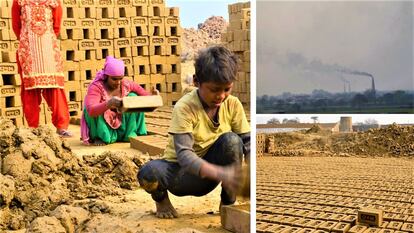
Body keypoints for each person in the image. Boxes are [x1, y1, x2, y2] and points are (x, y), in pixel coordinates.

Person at [138, 45, 251, 218]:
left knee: (232, 141)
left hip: (212, 173)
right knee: (148, 173)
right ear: (196, 81)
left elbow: (247, 142)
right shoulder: (185, 107)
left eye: (226, 89)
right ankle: (161, 201)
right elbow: (185, 157)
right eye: (214, 90)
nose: (221, 96)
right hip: (180, 176)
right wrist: (222, 173)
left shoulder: (233, 104)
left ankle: (228, 204)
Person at [11, 0, 72, 137]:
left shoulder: (53, 2)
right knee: (30, 88)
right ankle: (33, 127)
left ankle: (61, 126)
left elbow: (56, 26)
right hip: (28, 50)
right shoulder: (19, 2)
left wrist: (45, 41)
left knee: (55, 85)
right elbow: (16, 26)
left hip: (48, 48)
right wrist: (27, 41)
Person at [81, 56, 158, 145]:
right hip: (103, 123)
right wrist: (108, 104)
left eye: (120, 78)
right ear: (106, 76)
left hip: (123, 123)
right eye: (114, 79)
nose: (118, 82)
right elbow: (91, 111)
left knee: (133, 97)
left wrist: (154, 97)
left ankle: (129, 134)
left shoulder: (126, 84)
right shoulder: (96, 87)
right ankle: (100, 136)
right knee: (89, 108)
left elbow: (144, 96)